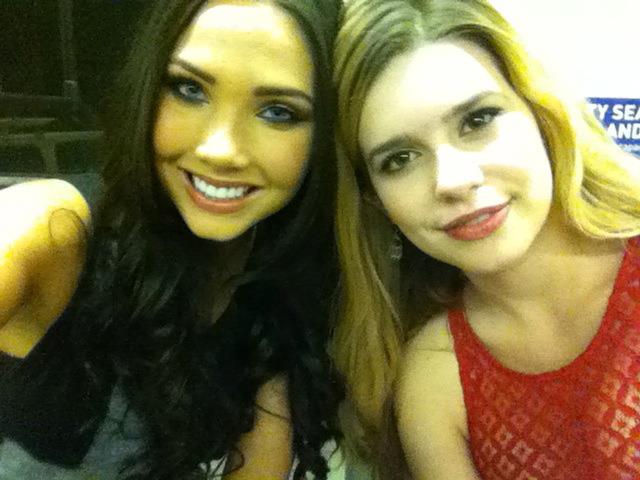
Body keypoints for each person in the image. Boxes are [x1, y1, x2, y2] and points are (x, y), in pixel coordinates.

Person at [0, 0, 342, 478]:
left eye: (278, 112)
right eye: (189, 89)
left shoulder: (277, 293)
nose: (219, 150)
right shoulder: (52, 229)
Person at [332, 0, 640, 478]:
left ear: (542, 113)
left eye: (477, 121)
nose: (452, 180)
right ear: (375, 200)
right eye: (400, 159)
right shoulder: (433, 378)